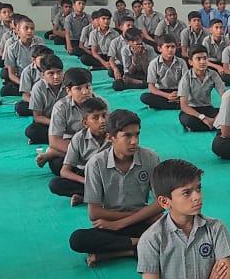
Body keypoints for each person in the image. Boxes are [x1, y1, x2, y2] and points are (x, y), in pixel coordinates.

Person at [68, 110, 163, 267]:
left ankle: (119, 252)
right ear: (110, 137)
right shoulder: (96, 164)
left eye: (137, 134)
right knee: (78, 239)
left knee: (181, 227)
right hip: (113, 223)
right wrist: (125, 220)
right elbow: (95, 213)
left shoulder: (150, 158)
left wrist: (124, 222)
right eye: (127, 136)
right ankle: (140, 245)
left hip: (139, 222)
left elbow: (161, 203)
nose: (134, 141)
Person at [49, 97, 108, 205]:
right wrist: (86, 181)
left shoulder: (115, 135)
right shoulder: (78, 138)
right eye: (96, 118)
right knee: (55, 184)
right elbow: (64, 171)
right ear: (85, 123)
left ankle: (88, 197)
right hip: (87, 176)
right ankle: (97, 196)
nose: (102, 120)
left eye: (104, 116)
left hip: (111, 177)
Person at [38, 68, 97, 176]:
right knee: (57, 165)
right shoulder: (61, 107)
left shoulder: (101, 104)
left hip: (95, 143)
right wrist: (85, 153)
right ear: (68, 91)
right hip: (70, 144)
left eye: (88, 87)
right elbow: (54, 141)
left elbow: (110, 132)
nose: (85, 92)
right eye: (78, 89)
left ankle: (54, 152)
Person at [177, 46, 225, 133]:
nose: (202, 62)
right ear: (191, 62)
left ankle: (211, 125)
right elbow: (184, 106)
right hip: (192, 110)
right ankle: (217, 126)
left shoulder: (213, 74)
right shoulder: (186, 77)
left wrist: (218, 116)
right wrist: (203, 118)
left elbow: (225, 96)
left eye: (205, 58)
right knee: (188, 121)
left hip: (208, 108)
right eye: (198, 59)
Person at [25, 55, 66, 145]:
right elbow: (37, 117)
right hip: (48, 122)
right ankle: (63, 140)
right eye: (51, 73)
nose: (56, 76)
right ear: (43, 75)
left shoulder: (69, 85)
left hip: (68, 122)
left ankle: (57, 140)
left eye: (59, 72)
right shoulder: (38, 88)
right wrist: (56, 123)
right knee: (32, 131)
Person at [141, 35, 187, 111]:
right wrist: (167, 95)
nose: (170, 49)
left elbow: (186, 82)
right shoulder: (154, 63)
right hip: (162, 92)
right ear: (159, 48)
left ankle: (166, 105)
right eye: (167, 47)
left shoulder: (182, 62)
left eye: (173, 47)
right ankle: (178, 105)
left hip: (178, 91)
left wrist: (179, 93)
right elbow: (151, 87)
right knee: (144, 97)